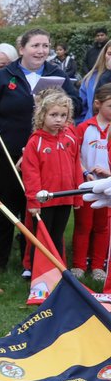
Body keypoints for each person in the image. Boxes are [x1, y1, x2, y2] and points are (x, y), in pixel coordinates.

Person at [0, 28, 82, 271]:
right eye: (35, 45)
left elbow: (77, 105)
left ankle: (31, 262)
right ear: (22, 49)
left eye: (45, 46)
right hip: (8, 153)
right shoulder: (5, 76)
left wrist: (54, 102)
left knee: (36, 210)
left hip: (44, 156)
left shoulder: (57, 74)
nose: (41, 51)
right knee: (4, 207)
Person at [22, 89, 82, 262]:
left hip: (65, 198)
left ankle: (57, 272)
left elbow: (76, 167)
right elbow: (31, 174)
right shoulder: (35, 142)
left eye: (63, 115)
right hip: (44, 200)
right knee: (41, 239)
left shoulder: (70, 139)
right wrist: (33, 200)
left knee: (57, 237)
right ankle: (36, 273)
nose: (58, 120)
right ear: (42, 115)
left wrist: (77, 196)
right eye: (53, 115)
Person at [71, 85, 111, 284]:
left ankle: (98, 266)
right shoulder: (84, 128)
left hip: (108, 187)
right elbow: (75, 156)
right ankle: (78, 265)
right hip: (86, 186)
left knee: (103, 227)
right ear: (97, 104)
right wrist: (85, 172)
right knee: (83, 225)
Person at [78, 39, 111, 119]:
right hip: (93, 123)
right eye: (110, 54)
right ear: (104, 55)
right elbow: (81, 109)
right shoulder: (91, 78)